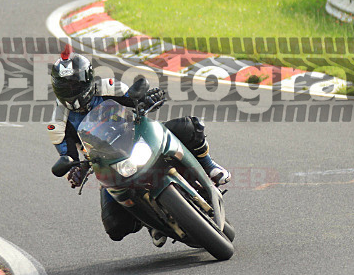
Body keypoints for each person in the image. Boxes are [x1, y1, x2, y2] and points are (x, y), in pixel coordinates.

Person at [47, 48, 231, 247]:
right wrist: (75, 169)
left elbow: (134, 98)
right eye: (65, 87)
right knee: (115, 226)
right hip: (107, 164)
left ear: (88, 79)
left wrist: (148, 98)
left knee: (190, 127)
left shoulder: (108, 86)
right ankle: (153, 223)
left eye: (75, 85)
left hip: (138, 138)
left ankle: (210, 167)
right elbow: (68, 156)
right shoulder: (57, 123)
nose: (72, 91)